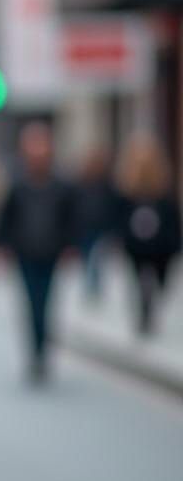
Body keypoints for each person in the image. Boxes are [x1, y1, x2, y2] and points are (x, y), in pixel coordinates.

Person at [0, 120, 76, 384]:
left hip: (50, 253)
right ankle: (35, 354)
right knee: (30, 304)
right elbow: (5, 219)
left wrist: (70, 247)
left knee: (45, 304)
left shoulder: (62, 184)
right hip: (25, 253)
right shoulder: (17, 184)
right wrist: (0, 247)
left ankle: (43, 350)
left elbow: (71, 219)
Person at [113, 130, 182, 337]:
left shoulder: (162, 183)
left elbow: (171, 213)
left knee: (160, 280)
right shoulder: (127, 184)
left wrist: (175, 241)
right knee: (140, 280)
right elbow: (119, 214)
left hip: (161, 244)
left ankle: (150, 306)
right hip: (137, 245)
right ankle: (145, 312)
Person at [72, 144, 120, 298]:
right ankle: (91, 284)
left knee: (97, 258)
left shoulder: (108, 184)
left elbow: (113, 207)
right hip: (84, 229)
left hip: (101, 229)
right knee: (88, 258)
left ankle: (95, 284)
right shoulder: (80, 184)